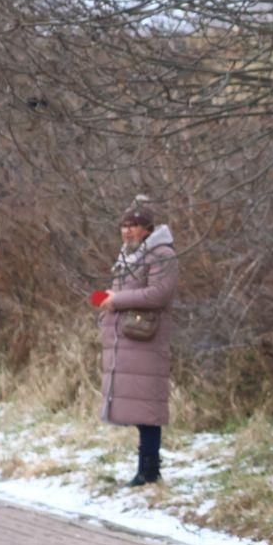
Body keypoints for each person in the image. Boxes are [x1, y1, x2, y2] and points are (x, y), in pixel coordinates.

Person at [98, 198, 179, 487]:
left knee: (148, 409)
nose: (127, 231)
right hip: (128, 340)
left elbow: (158, 294)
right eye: (124, 225)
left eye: (133, 225)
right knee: (140, 408)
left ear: (147, 229)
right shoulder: (129, 255)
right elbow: (119, 294)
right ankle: (145, 470)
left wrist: (116, 300)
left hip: (147, 339)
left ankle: (149, 471)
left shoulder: (162, 254)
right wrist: (102, 300)